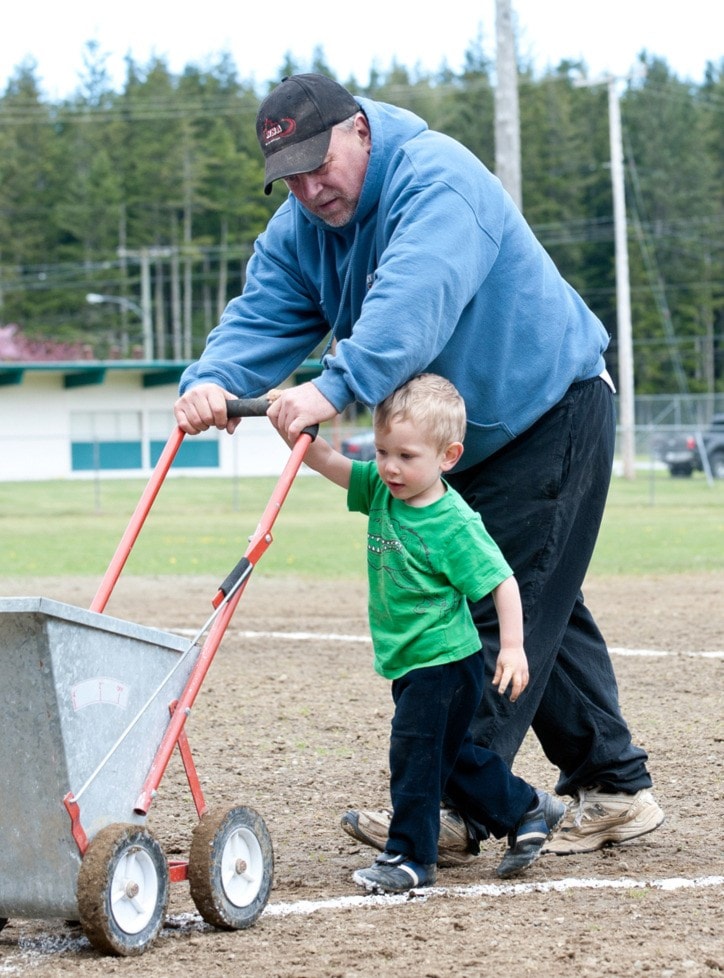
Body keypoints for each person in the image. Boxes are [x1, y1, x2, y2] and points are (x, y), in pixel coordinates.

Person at [174, 72, 664, 861]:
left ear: (359, 131)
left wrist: (333, 387)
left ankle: (452, 801)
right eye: (289, 176)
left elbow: (416, 298)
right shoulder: (302, 227)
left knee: (474, 621)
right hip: (459, 441)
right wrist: (211, 384)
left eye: (318, 163)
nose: (308, 187)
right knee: (538, 599)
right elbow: (263, 311)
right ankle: (613, 783)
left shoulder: (438, 181)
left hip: (548, 410)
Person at [273, 372, 566, 892]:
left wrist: (515, 648)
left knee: (414, 756)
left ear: (447, 457)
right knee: (447, 759)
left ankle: (409, 858)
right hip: (410, 660)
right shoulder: (381, 491)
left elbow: (502, 581)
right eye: (383, 451)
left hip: (445, 663)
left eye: (407, 456)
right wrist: (292, 424)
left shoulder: (454, 523)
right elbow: (326, 461)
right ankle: (527, 808)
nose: (390, 467)